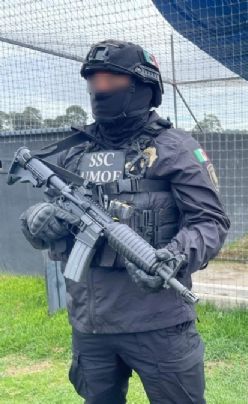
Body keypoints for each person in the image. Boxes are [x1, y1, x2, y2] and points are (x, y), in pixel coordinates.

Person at [18, 39, 230, 403]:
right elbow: (53, 222)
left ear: (144, 87)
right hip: (90, 323)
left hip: (159, 324)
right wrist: (35, 221)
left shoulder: (175, 149)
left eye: (111, 81)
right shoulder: (75, 151)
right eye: (94, 81)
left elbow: (211, 222)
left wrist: (175, 254)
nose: (100, 90)